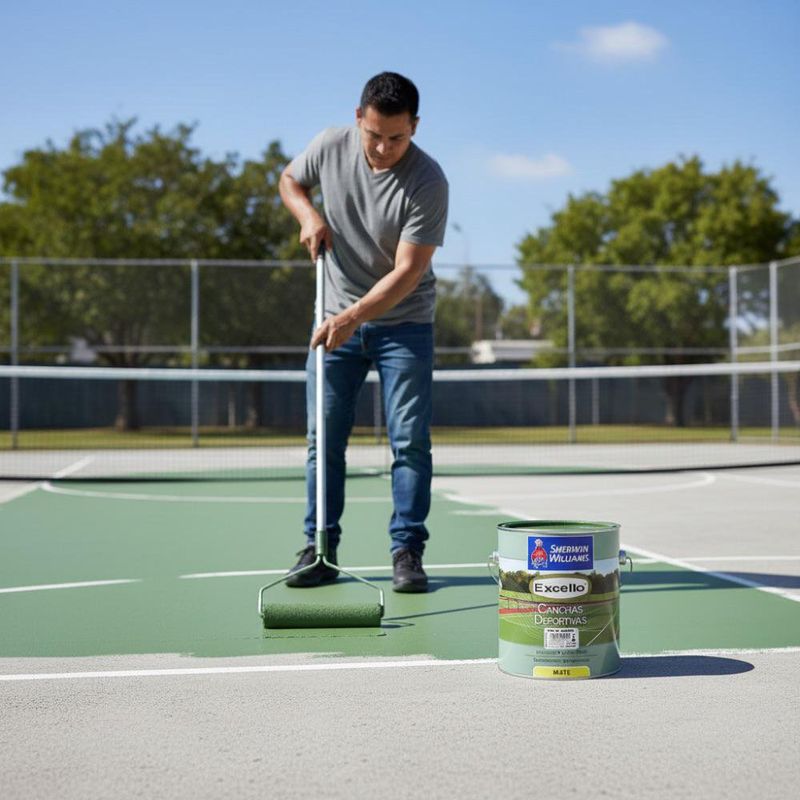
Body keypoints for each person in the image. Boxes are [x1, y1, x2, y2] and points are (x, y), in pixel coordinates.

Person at [278, 71, 448, 593]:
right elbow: (289, 180)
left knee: (409, 441)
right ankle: (320, 549)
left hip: (404, 324)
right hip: (333, 318)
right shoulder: (330, 145)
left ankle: (407, 551)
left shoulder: (428, 180)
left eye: (397, 137)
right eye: (374, 134)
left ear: (415, 126)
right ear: (358, 118)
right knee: (323, 440)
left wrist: (352, 318)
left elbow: (408, 272)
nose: (383, 148)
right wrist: (308, 214)